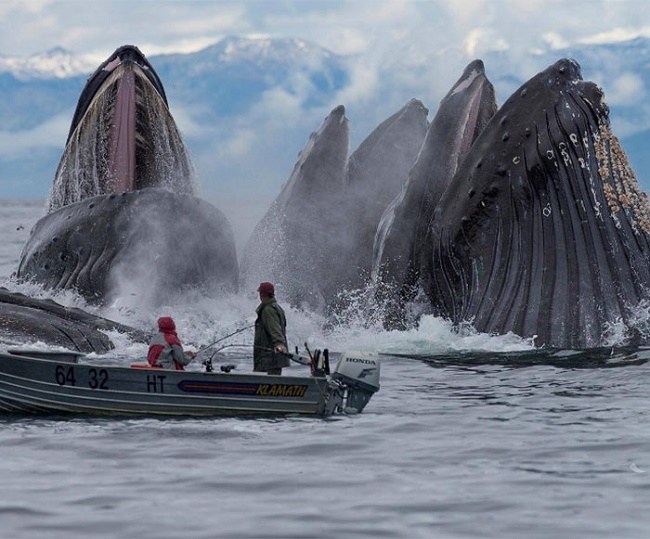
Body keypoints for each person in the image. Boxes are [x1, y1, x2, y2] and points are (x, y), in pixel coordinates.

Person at [254, 282, 289, 375]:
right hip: (275, 356)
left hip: (271, 356)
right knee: (275, 381)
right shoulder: (277, 308)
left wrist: (279, 343)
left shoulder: (268, 310)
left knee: (271, 385)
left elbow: (275, 328)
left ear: (262, 294)